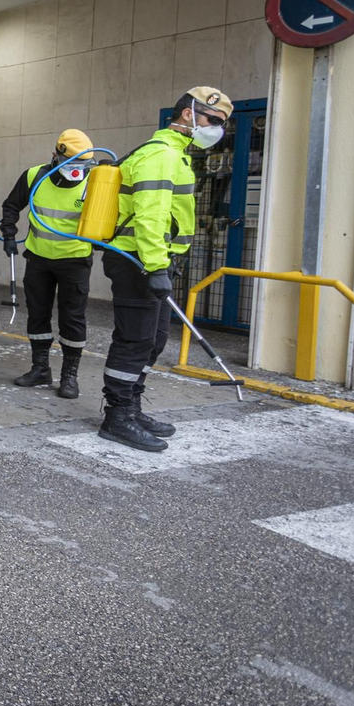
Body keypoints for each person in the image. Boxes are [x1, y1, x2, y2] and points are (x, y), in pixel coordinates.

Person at [100, 86, 233, 452]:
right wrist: (157, 265)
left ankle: (132, 405)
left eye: (222, 123)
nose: (217, 129)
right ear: (188, 115)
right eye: (212, 120)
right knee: (135, 339)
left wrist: (166, 262)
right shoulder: (160, 156)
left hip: (153, 261)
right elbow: (151, 216)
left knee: (154, 339)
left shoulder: (176, 155)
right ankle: (117, 416)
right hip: (136, 260)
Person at [0, 129, 97, 400]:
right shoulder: (34, 176)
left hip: (75, 260)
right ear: (56, 156)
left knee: (73, 318)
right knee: (38, 314)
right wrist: (9, 235)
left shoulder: (96, 181)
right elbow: (11, 205)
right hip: (39, 259)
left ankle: (69, 376)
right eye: (72, 163)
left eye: (82, 165)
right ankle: (40, 368)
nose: (77, 170)